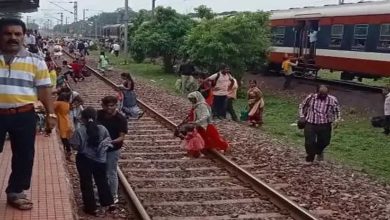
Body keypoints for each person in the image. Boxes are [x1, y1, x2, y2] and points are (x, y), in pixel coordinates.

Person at [0, 18, 56, 210]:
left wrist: (51, 114)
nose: (12, 37)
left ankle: (16, 192)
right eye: (7, 33)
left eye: (17, 34)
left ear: (24, 36)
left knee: (24, 155)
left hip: (24, 115)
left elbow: (44, 90)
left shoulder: (36, 60)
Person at [70, 107, 114, 216]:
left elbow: (75, 146)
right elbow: (108, 140)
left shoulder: (79, 131)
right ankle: (108, 203)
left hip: (84, 159)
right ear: (95, 117)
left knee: (86, 183)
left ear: (83, 119)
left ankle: (91, 208)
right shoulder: (102, 129)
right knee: (102, 181)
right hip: (100, 160)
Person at [97, 96, 128, 204]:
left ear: (116, 105)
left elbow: (121, 137)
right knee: (100, 172)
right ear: (103, 106)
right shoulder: (99, 114)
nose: (110, 108)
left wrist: (110, 142)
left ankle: (113, 195)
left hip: (113, 149)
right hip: (100, 148)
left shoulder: (121, 119)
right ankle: (101, 193)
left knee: (111, 172)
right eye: (107, 106)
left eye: (112, 106)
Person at [299, 85, 341, 163]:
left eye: (324, 94)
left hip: (325, 124)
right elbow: (302, 106)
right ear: (317, 92)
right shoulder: (311, 98)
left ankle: (318, 151)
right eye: (320, 94)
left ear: (327, 93)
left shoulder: (332, 100)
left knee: (325, 142)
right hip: (311, 123)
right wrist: (302, 116)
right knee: (309, 142)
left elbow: (337, 111)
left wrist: (337, 120)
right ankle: (310, 157)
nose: (322, 95)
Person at [54, 92, 73, 160]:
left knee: (63, 138)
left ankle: (68, 150)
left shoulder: (59, 103)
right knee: (65, 138)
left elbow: (51, 106)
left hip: (62, 122)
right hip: (67, 121)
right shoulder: (67, 104)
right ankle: (67, 152)